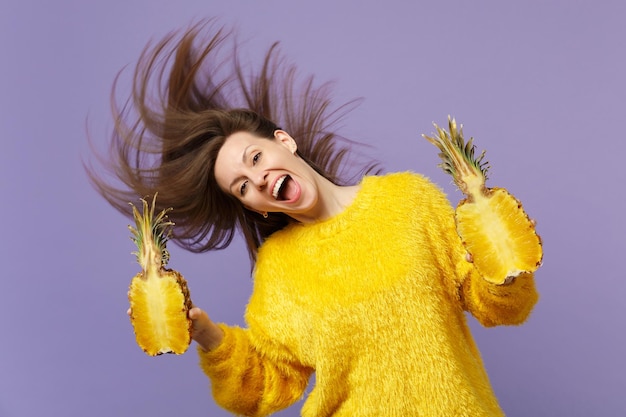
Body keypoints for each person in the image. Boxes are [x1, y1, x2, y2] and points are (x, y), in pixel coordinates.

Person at [88, 20, 539, 417]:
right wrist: (205, 333)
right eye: (243, 186)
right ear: (257, 207)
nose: (259, 179)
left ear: (285, 141)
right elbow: (268, 383)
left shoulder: (410, 198)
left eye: (256, 157)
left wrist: (501, 252)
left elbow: (496, 306)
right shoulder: (279, 269)